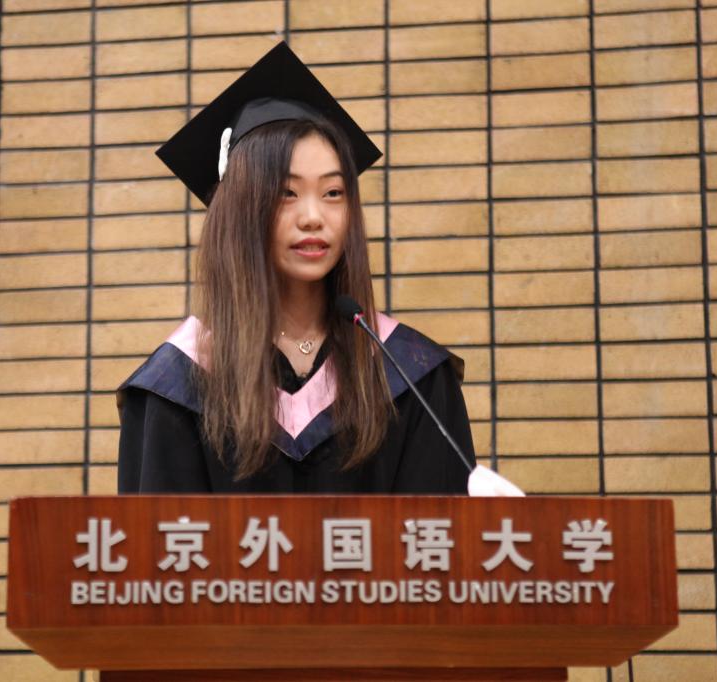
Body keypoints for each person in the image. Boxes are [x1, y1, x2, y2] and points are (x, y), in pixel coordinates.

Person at [117, 42, 478, 494]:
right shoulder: (178, 384)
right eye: (287, 193)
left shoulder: (411, 376)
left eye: (333, 193)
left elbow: (442, 530)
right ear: (240, 212)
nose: (313, 217)